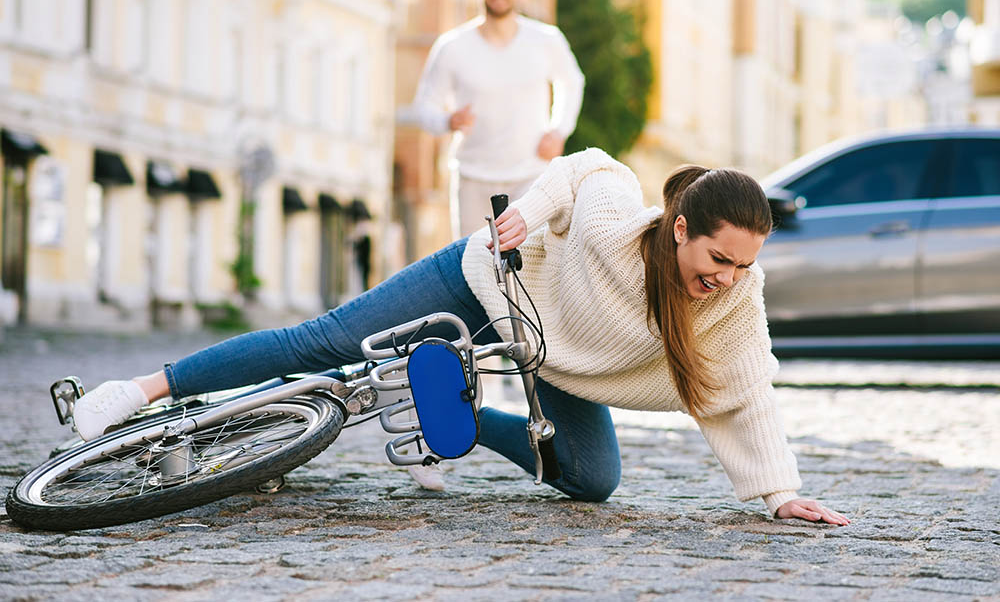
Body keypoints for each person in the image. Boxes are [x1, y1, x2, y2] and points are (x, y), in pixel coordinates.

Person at [73, 148, 849, 525]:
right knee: (328, 339)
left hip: (554, 354)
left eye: (745, 265)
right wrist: (533, 210)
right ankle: (142, 389)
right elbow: (588, 166)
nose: (728, 276)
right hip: (489, 281)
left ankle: (446, 411)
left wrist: (780, 493)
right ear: (680, 230)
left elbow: (746, 391)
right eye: (718, 258)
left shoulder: (734, 300)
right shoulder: (620, 221)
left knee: (591, 476)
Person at [404, 0, 585, 240]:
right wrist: (447, 121)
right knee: (473, 266)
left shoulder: (545, 40)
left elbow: (572, 82)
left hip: (531, 177)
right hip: (473, 177)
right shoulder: (453, 46)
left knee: (530, 266)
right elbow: (424, 106)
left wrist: (559, 130)